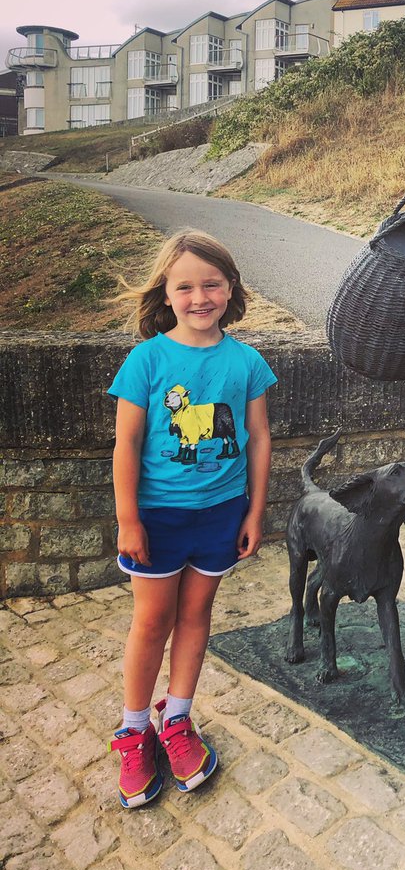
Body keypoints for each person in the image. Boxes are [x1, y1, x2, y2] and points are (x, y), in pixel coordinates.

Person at [107, 230, 276, 807]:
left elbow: (259, 438)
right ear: (166, 293)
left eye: (212, 284)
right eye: (185, 287)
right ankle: (134, 730)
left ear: (230, 289)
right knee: (152, 621)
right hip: (158, 517)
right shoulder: (147, 359)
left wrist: (254, 510)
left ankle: (176, 718)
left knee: (196, 614)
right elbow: (127, 444)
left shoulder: (248, 362)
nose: (200, 297)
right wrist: (129, 519)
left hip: (221, 514)